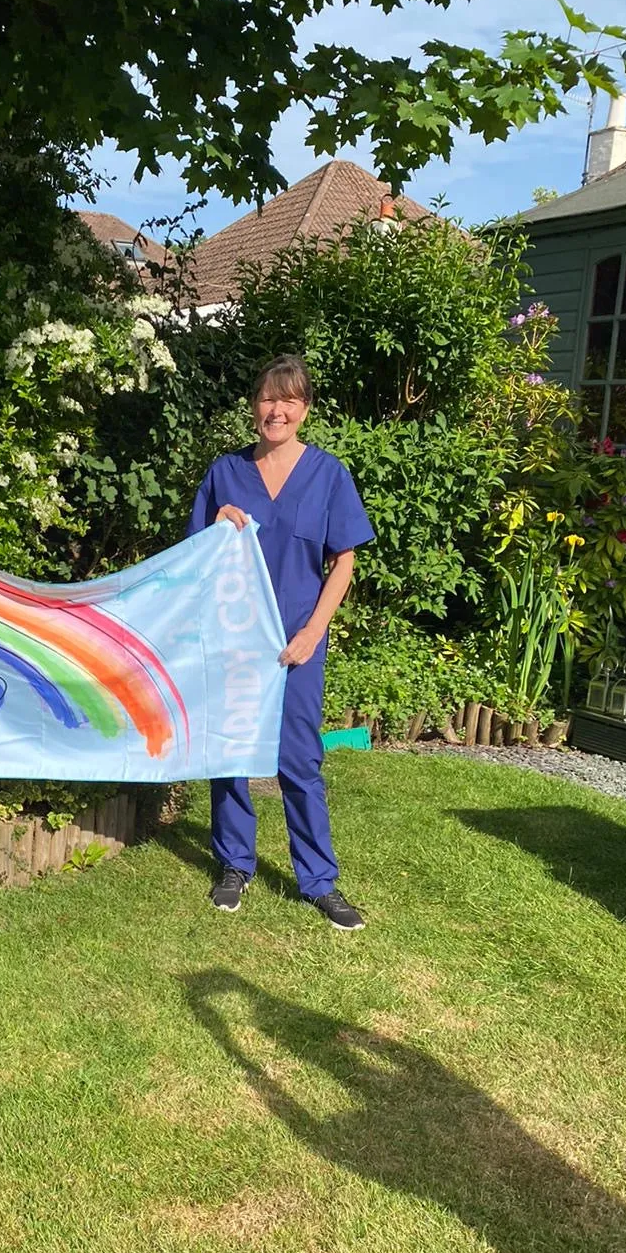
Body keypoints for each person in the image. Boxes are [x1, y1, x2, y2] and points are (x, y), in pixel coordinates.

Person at [187, 354, 374, 930]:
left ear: (305, 409)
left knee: (299, 760)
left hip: (298, 642)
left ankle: (318, 881)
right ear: (254, 407)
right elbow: (196, 557)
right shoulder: (226, 473)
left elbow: (343, 561)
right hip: (235, 639)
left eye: (289, 400)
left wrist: (313, 632)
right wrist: (217, 523)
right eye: (268, 399)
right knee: (231, 752)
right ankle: (234, 864)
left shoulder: (328, 475)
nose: (277, 410)